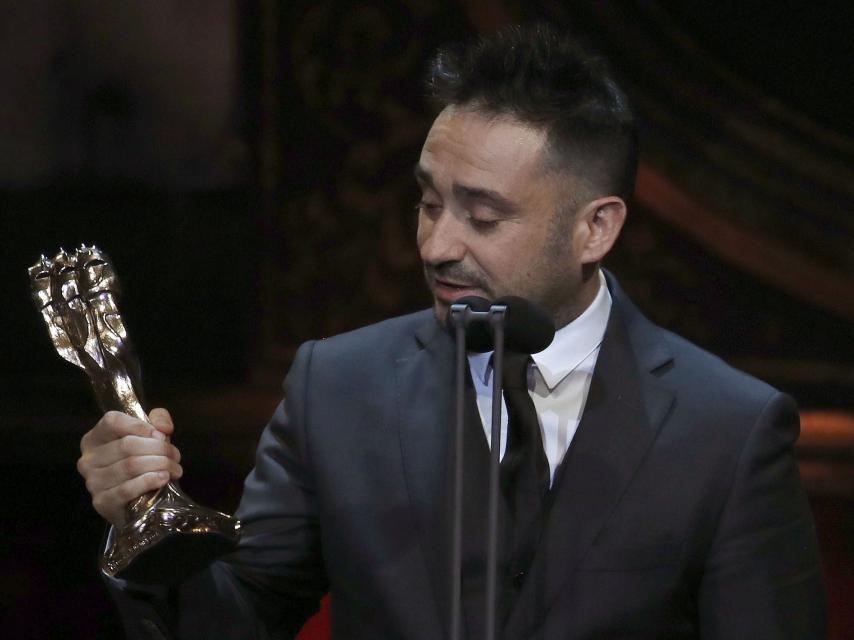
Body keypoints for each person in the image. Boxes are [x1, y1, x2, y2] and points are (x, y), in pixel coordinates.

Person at [77, 24, 826, 639]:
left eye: (483, 215)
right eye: (429, 203)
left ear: (596, 227)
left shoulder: (727, 429)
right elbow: (233, 623)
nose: (437, 246)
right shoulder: (338, 388)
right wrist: (145, 528)